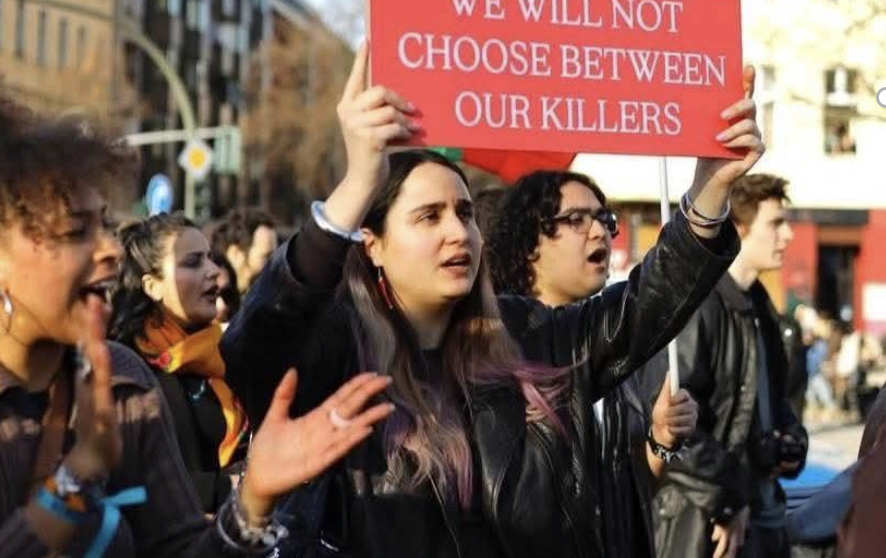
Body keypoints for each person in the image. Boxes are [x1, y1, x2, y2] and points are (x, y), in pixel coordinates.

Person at [222, 45, 764, 558]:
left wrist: (712, 187)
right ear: (374, 245)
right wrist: (357, 186)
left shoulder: (528, 334)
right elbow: (256, 347)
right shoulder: (337, 353)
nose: (458, 233)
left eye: (465, 213)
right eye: (429, 217)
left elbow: (645, 307)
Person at [0, 94, 393, 557]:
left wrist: (253, 501)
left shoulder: (123, 379)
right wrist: (77, 478)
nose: (109, 249)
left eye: (104, 225)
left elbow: (182, 549)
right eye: (74, 232)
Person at [487, 169, 699, 558]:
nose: (600, 232)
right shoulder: (501, 354)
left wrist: (660, 441)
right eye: (576, 220)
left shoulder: (609, 354)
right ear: (530, 242)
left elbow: (624, 492)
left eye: (604, 219)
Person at [648, 173, 808, 558]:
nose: (787, 235)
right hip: (704, 522)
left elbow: (771, 403)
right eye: (775, 223)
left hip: (759, 513)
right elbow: (674, 425)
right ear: (739, 227)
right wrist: (729, 498)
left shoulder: (762, 307)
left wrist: (791, 441)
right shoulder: (700, 305)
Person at [109, 214, 245, 513]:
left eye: (210, 258)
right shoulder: (126, 369)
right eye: (193, 262)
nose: (214, 272)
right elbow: (138, 482)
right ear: (152, 286)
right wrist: (237, 487)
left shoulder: (223, 353)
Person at [210, 208, 278, 294]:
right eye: (266, 257)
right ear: (235, 254)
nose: (275, 265)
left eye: (276, 255)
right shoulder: (211, 299)